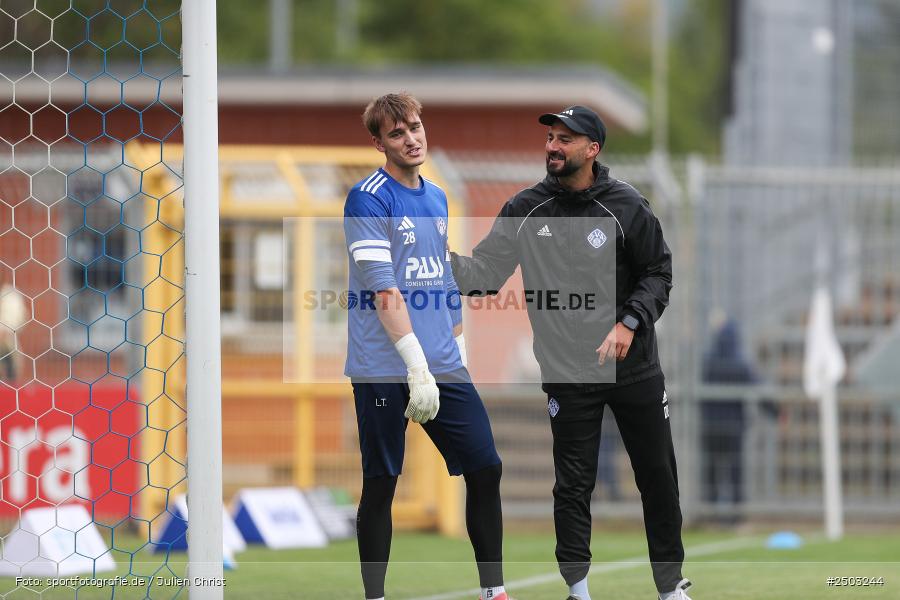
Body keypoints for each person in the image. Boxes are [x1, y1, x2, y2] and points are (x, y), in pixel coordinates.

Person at [451, 106, 691, 600]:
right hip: (567, 371)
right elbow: (486, 274)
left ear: (592, 149)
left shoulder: (626, 207)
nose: (553, 146)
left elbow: (658, 274)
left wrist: (630, 322)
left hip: (633, 367)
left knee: (658, 478)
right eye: (550, 137)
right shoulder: (525, 208)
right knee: (573, 485)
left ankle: (670, 589)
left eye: (565, 138)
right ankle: (577, 590)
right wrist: (435, 262)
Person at [343, 93, 508, 600]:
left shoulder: (437, 197)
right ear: (379, 143)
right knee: (382, 483)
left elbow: (439, 279)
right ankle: (375, 596)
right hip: (383, 366)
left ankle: (494, 592)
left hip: (441, 364)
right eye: (397, 133)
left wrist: (454, 350)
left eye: (414, 126)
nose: (411, 138)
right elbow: (384, 287)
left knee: (486, 467)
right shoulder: (367, 198)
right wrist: (415, 365)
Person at [0, 273, 26, 383]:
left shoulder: (10, 295)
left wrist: (5, 330)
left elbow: (20, 317)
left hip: (8, 344)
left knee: (11, 374)